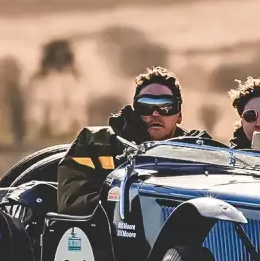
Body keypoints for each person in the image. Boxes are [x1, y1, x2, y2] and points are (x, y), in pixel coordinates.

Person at [56, 66, 219, 215]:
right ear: (135, 110)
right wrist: (125, 200)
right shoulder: (96, 143)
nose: (155, 114)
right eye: (146, 106)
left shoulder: (200, 151)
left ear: (179, 115)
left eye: (166, 107)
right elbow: (71, 200)